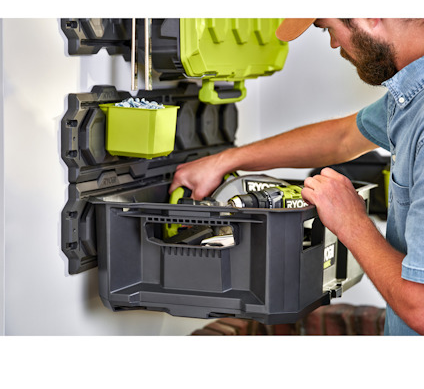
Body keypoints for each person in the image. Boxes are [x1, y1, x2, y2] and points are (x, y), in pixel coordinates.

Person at [169, 18, 424, 336]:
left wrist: (351, 223)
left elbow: (420, 308)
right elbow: (342, 138)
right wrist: (225, 161)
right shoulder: (409, 101)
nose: (334, 43)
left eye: (327, 27)